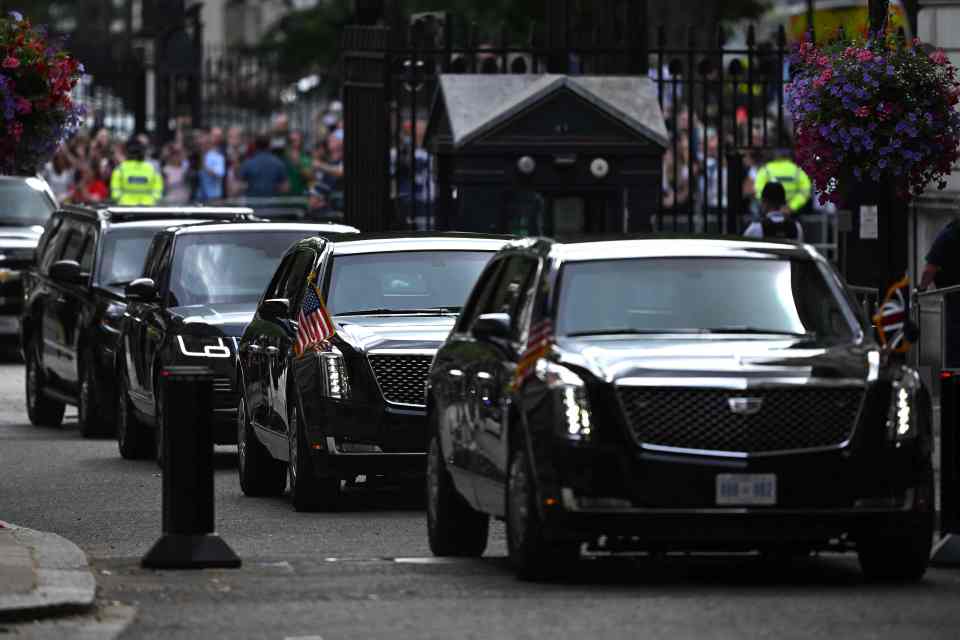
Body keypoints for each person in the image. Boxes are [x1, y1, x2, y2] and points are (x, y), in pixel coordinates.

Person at [753, 148, 813, 215]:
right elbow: (805, 192)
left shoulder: (765, 170)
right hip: (792, 213)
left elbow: (759, 191)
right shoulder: (797, 171)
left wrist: (771, 207)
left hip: (770, 211)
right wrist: (791, 207)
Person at [110, 137, 163, 206]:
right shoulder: (152, 168)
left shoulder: (120, 168)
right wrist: (154, 198)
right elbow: (158, 189)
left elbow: (115, 191)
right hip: (148, 205)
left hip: (125, 205)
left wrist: (119, 198)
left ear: (127, 153)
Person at [197, 128, 226, 202]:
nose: (202, 146)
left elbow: (220, 173)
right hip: (201, 197)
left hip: (214, 197)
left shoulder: (217, 156)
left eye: (204, 143)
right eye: (200, 144)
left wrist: (207, 168)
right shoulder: (199, 156)